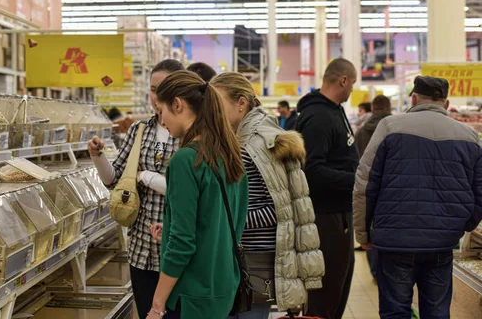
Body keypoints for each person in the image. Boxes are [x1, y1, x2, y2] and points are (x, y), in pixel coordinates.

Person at [353, 76, 482, 319]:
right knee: (436, 312)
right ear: (446, 103)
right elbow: (480, 192)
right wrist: (462, 225)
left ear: (413, 98)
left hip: (394, 241)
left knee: (395, 312)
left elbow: (364, 184)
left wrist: (363, 234)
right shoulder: (468, 136)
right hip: (441, 244)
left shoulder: (390, 127)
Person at [211, 72, 324, 319]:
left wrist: (228, 221)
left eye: (217, 104)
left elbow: (277, 208)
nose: (212, 112)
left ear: (241, 103)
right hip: (255, 254)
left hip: (256, 256)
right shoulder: (256, 135)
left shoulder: (251, 145)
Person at [147, 71, 249, 319]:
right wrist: (171, 230)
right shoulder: (230, 154)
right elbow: (230, 224)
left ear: (178, 105)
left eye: (162, 112)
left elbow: (183, 243)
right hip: (224, 287)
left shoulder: (185, 161)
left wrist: (157, 305)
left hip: (191, 295)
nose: (162, 121)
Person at [88, 59, 184, 318]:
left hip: (179, 251)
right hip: (142, 250)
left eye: (163, 88)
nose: (156, 97)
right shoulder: (140, 131)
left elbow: (186, 190)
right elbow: (115, 182)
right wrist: (98, 156)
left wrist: (146, 176)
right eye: (153, 89)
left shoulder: (190, 133)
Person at [295, 58, 359, 319]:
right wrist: (356, 180)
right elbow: (312, 171)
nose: (353, 89)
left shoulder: (334, 111)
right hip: (324, 217)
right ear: (343, 80)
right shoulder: (319, 117)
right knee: (324, 291)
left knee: (338, 287)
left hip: (339, 213)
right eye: (353, 83)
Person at [354, 94, 392, 281]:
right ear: (389, 108)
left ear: (373, 109)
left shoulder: (362, 131)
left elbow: (357, 160)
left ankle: (375, 272)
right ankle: (385, 272)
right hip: (390, 191)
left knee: (370, 229)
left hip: (368, 187)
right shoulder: (396, 129)